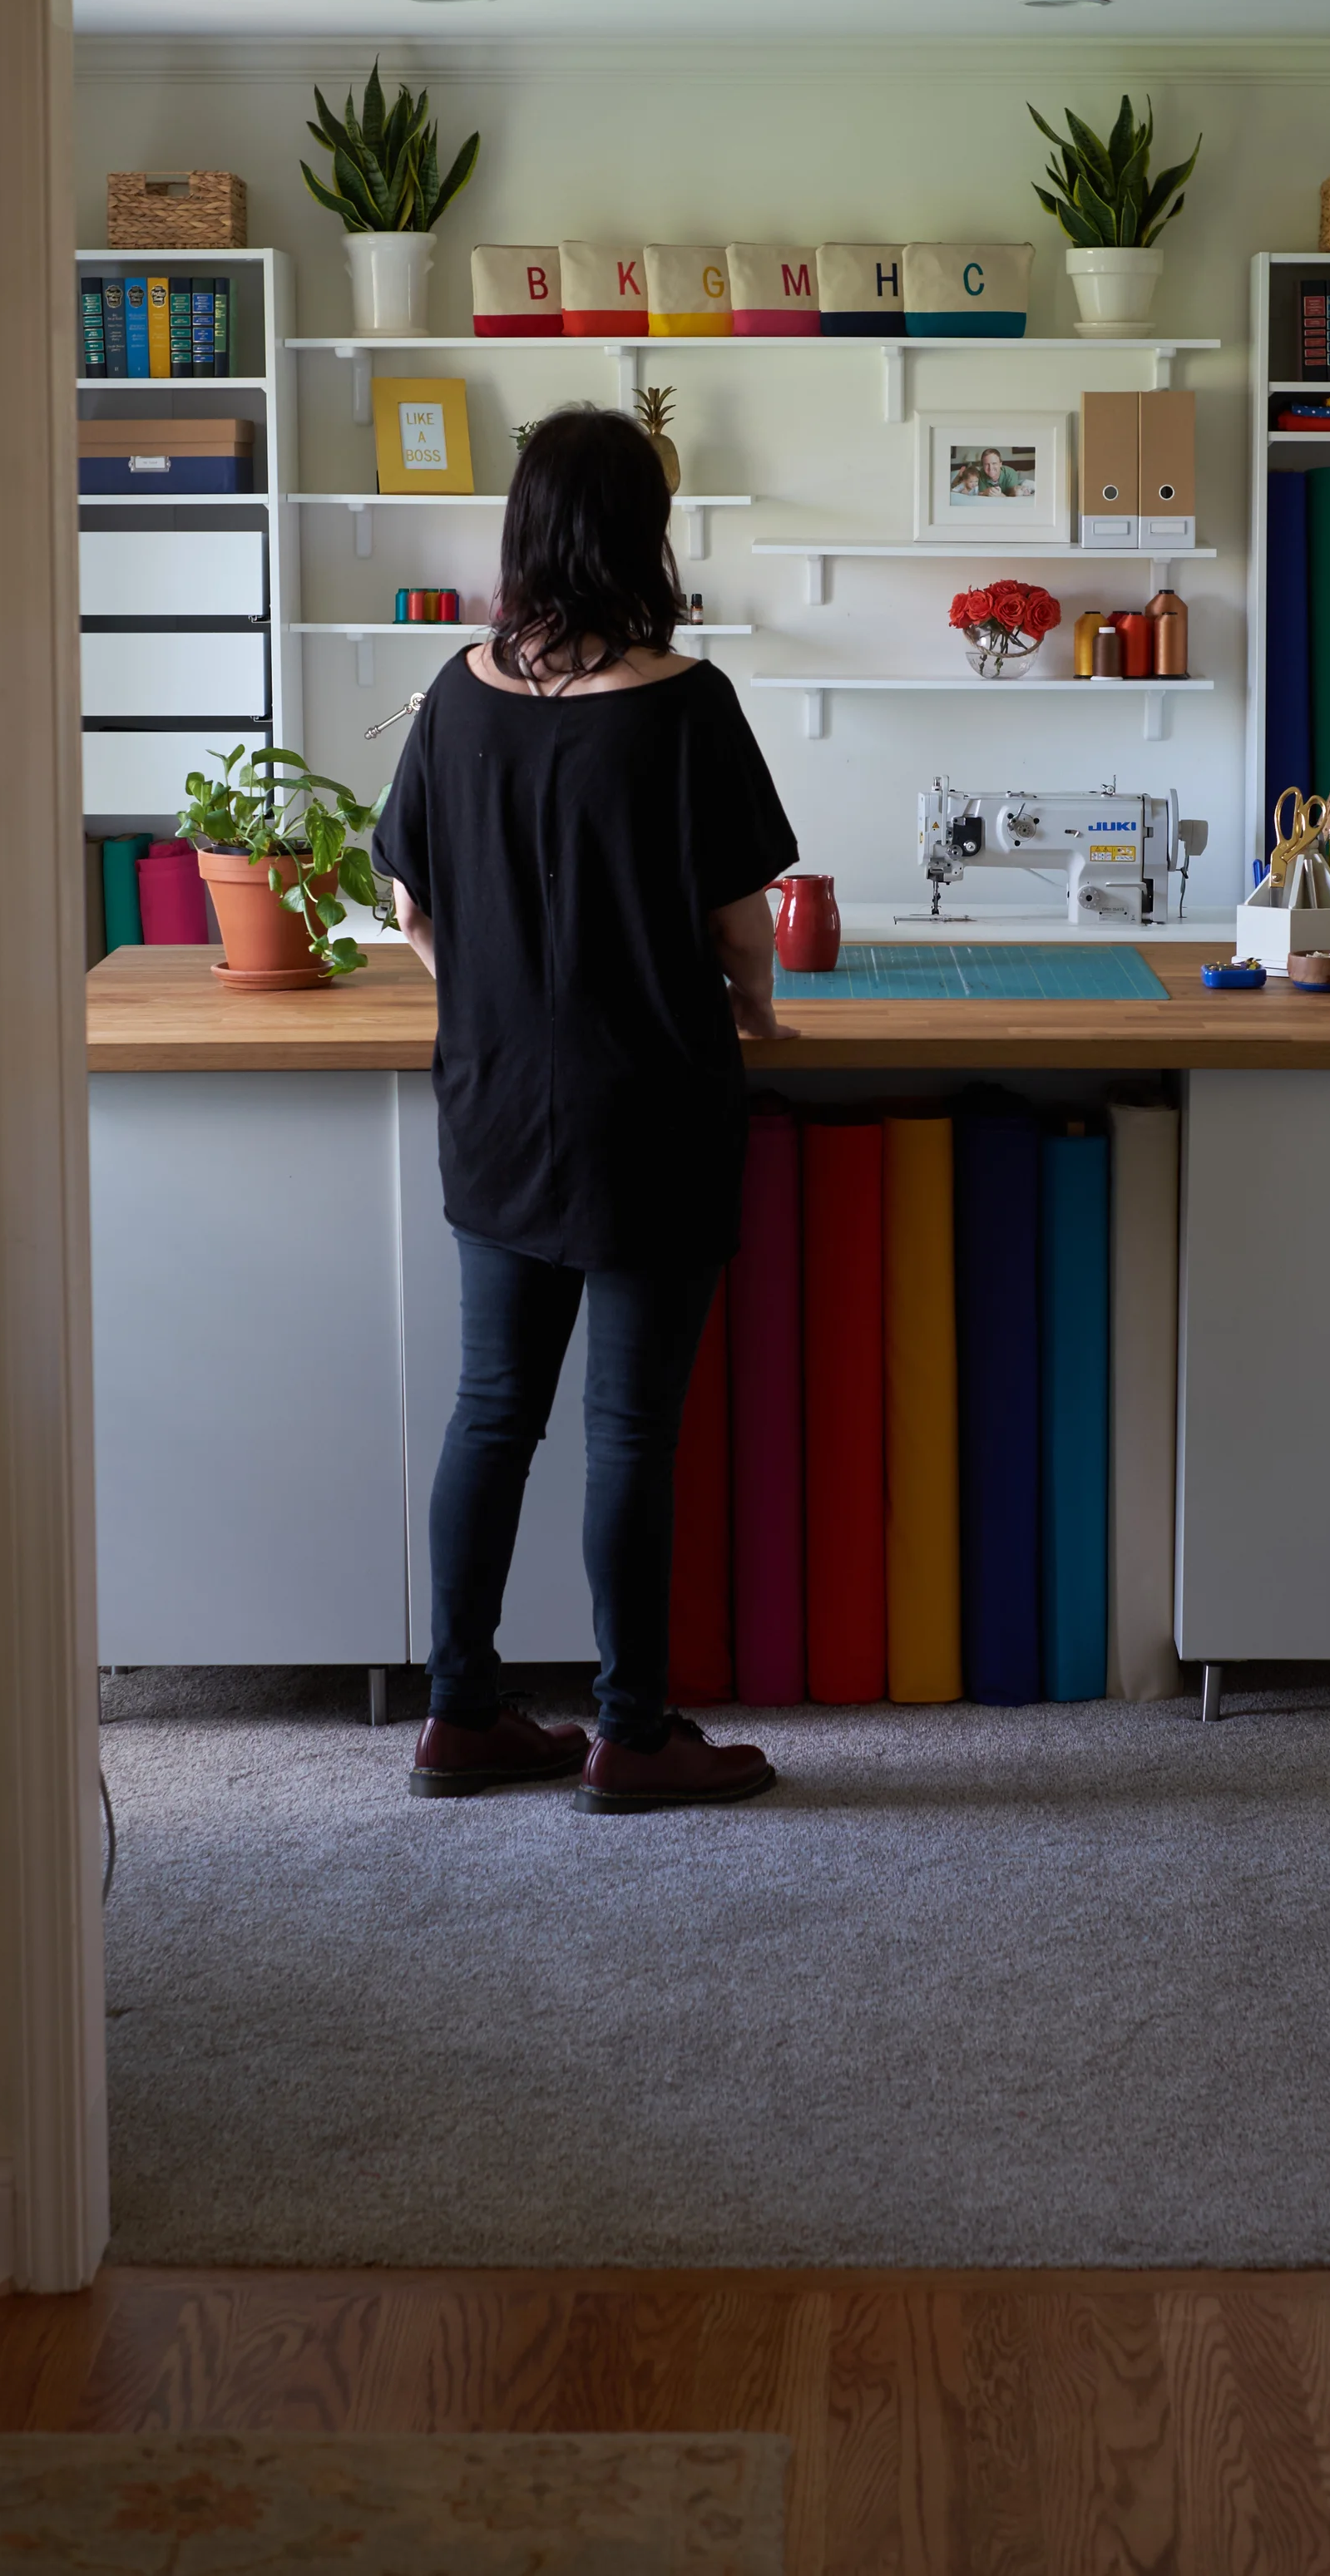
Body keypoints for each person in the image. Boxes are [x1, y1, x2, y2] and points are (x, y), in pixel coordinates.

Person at [373, 405, 798, 1814]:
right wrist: (757, 1010)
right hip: (650, 1110)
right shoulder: (686, 703)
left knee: (492, 1413)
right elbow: (742, 930)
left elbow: (411, 906)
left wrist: (496, 994)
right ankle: (630, 1733)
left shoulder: (457, 693)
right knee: (628, 1433)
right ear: (641, 537)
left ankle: (460, 1715)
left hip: (497, 1106)